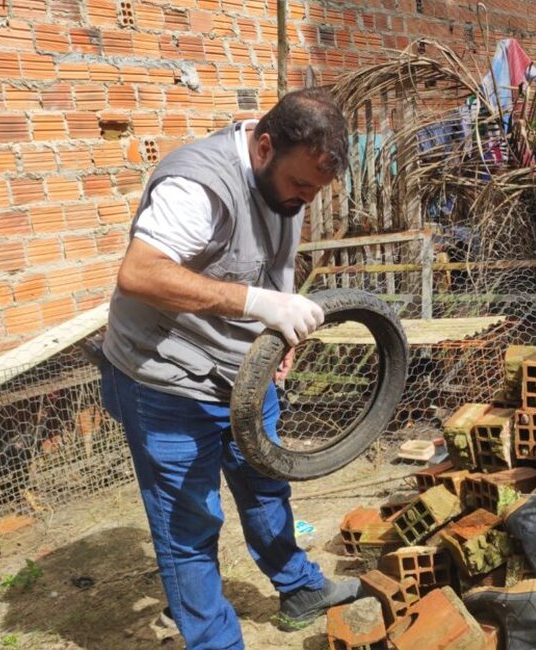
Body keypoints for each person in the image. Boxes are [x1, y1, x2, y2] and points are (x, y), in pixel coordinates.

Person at [98, 88, 361, 650]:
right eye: (300, 186)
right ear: (264, 147)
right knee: (189, 524)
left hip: (244, 370)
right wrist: (257, 305)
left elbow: (278, 263)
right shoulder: (197, 186)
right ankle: (216, 642)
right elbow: (139, 274)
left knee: (266, 483)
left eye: (316, 190)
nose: (305, 199)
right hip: (164, 376)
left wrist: (279, 330)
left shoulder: (288, 185)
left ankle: (298, 589)